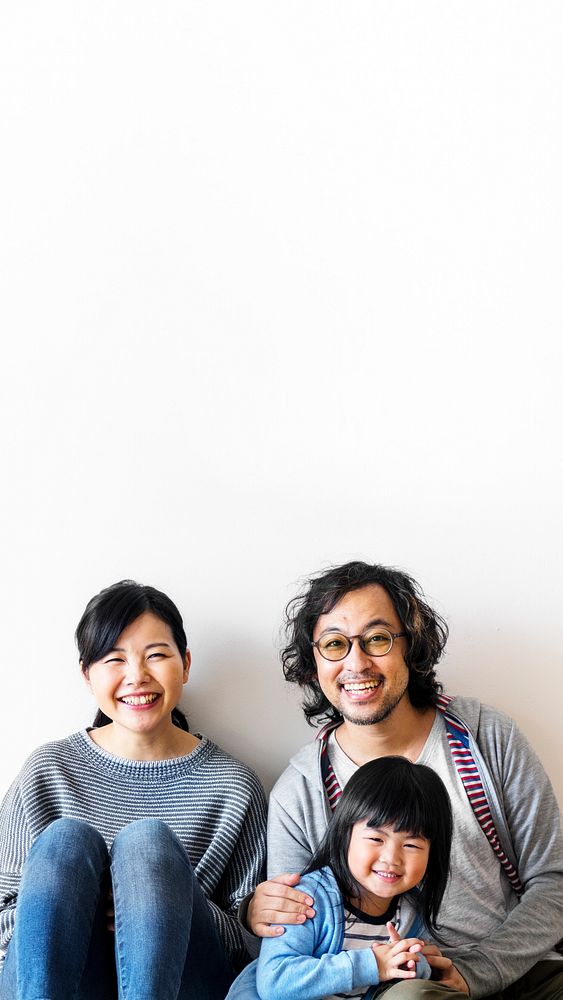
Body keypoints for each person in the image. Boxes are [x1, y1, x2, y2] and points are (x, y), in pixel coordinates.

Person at [246, 561, 563, 999]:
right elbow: (293, 934)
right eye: (334, 644)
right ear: (313, 662)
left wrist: (480, 971)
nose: (356, 663)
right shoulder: (301, 790)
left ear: (410, 646)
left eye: (377, 639)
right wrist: (254, 910)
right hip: (407, 986)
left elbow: (553, 879)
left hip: (523, 970)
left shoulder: (486, 737)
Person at [0, 580, 267, 1000]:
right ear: (88, 675)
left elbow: (250, 946)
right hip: (59, 982)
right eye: (114, 659)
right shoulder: (48, 770)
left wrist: (153, 900)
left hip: (183, 982)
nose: (137, 676)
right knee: (65, 842)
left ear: (186, 664)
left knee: (147, 846)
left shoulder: (233, 785)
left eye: (156, 655)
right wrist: (81, 907)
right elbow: (3, 916)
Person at [228, 755, 454, 1000]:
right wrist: (372, 964)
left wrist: (413, 962)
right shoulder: (307, 900)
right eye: (376, 839)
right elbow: (276, 983)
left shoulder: (411, 909)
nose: (392, 858)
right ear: (345, 835)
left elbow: (410, 969)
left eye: (411, 845)